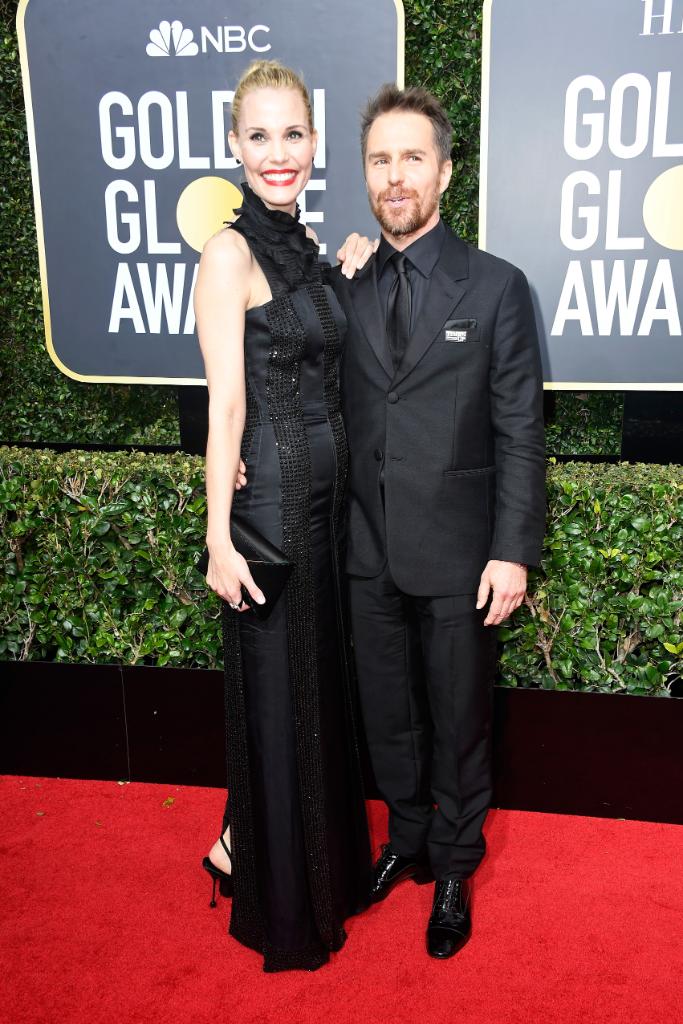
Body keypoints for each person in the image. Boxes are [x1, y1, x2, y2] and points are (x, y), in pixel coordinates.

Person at [333, 85, 546, 959]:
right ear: (366, 173)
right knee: (387, 713)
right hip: (364, 548)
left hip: (461, 554)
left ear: (445, 172)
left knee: (458, 719)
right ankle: (408, 838)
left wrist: (511, 551)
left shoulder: (495, 286)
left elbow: (520, 430)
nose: (395, 176)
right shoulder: (343, 283)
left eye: (411, 158)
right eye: (379, 159)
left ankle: (455, 866)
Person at [194, 59, 374, 973]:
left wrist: (348, 271)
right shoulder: (227, 255)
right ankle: (269, 881)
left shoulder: (304, 245)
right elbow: (226, 403)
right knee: (279, 695)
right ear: (234, 145)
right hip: (268, 508)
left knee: (314, 691)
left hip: (326, 513)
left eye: (292, 134)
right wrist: (216, 537)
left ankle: (265, 848)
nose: (278, 153)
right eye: (259, 135)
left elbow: (318, 353)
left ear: (313, 141)